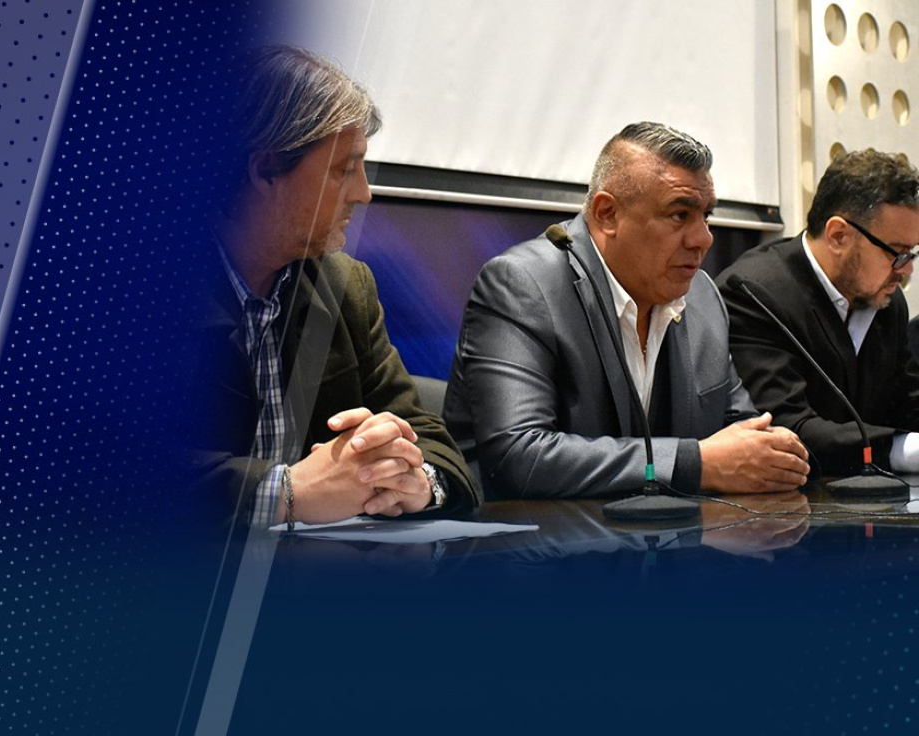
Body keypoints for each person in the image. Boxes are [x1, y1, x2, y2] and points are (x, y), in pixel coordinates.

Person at [188, 45, 478, 526]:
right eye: (345, 170)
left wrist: (417, 480)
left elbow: (429, 440)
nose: (364, 193)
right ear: (266, 170)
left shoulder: (343, 285)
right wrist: (285, 492)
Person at [444, 122, 809, 499]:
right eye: (679, 215)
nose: (703, 239)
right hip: (531, 531)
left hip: (668, 530)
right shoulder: (523, 285)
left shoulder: (701, 295)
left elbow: (740, 428)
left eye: (706, 216)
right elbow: (519, 456)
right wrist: (692, 464)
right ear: (607, 214)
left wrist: (774, 453)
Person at [716, 149, 919, 475]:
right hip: (784, 502)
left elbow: (905, 404)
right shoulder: (755, 294)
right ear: (838, 236)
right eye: (897, 253)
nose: (906, 271)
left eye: (911, 254)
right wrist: (904, 452)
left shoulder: (886, 301)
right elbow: (787, 429)